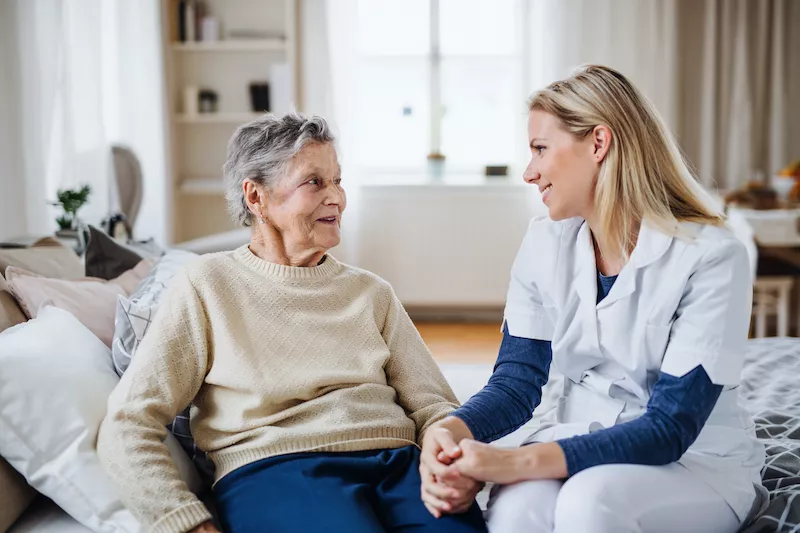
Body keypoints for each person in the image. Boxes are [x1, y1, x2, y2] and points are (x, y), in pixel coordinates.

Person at [97, 113, 488, 533]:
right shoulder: (207, 283)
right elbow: (130, 419)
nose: (336, 197)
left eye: (338, 180)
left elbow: (434, 406)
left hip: (400, 463)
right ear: (256, 197)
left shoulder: (371, 292)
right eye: (314, 182)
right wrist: (181, 520)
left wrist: (447, 456)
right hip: (278, 468)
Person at [419, 65, 765, 533]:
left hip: (694, 462)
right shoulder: (544, 242)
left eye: (540, 149)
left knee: (588, 502)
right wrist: (448, 431)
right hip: (573, 438)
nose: (529, 172)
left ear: (598, 144)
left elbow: (670, 428)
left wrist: (509, 463)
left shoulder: (712, 257)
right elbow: (517, 382)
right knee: (517, 513)